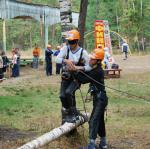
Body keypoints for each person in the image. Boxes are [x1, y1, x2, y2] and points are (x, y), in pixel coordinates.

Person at [73, 49, 108, 149]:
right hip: (99, 99)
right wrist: (78, 70)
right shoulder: (95, 69)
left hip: (100, 100)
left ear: (98, 61)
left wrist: (75, 71)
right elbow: (86, 75)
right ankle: (103, 144)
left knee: (93, 120)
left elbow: (84, 80)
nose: (90, 60)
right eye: (90, 58)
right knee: (99, 121)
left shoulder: (97, 71)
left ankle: (91, 146)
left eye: (92, 59)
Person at [56, 29, 91, 123]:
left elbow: (89, 67)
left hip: (76, 78)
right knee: (62, 96)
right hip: (66, 76)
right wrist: (65, 60)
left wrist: (77, 68)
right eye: (69, 41)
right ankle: (70, 112)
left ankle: (73, 114)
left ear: (77, 41)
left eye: (72, 42)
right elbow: (56, 59)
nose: (70, 44)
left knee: (68, 92)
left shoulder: (83, 52)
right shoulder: (65, 49)